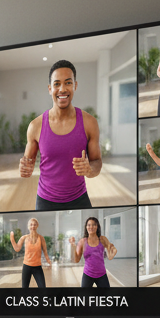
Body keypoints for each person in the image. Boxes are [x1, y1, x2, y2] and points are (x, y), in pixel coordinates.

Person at [19, 60, 102, 210]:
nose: (62, 89)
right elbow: (27, 163)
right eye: (57, 84)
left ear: (75, 85)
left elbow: (97, 161)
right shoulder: (35, 126)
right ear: (50, 89)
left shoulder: (89, 123)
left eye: (68, 83)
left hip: (79, 198)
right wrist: (25, 169)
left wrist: (89, 169)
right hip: (45, 200)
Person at [69, 216, 117, 289]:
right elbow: (76, 260)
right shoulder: (82, 242)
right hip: (88, 274)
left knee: (107, 297)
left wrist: (113, 251)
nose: (91, 227)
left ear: (97, 226)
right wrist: (73, 246)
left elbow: (110, 256)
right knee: (84, 298)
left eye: (94, 224)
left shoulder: (102, 239)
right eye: (89, 225)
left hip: (102, 274)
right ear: (86, 227)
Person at [10, 217, 51, 288]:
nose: (33, 226)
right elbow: (17, 249)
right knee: (25, 289)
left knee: (43, 288)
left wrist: (49, 262)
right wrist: (12, 238)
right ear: (28, 226)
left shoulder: (41, 238)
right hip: (27, 266)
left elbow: (45, 252)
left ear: (37, 225)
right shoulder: (24, 238)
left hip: (37, 267)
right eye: (31, 225)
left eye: (35, 224)